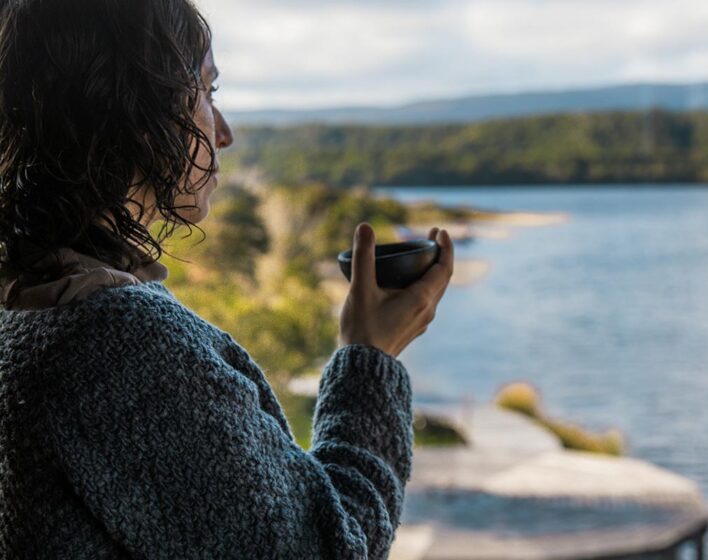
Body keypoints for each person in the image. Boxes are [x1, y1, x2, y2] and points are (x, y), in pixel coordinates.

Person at [0, 1, 453, 558]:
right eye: (207, 94)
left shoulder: (26, 300)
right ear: (134, 108)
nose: (225, 133)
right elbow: (328, 549)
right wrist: (370, 356)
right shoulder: (119, 344)